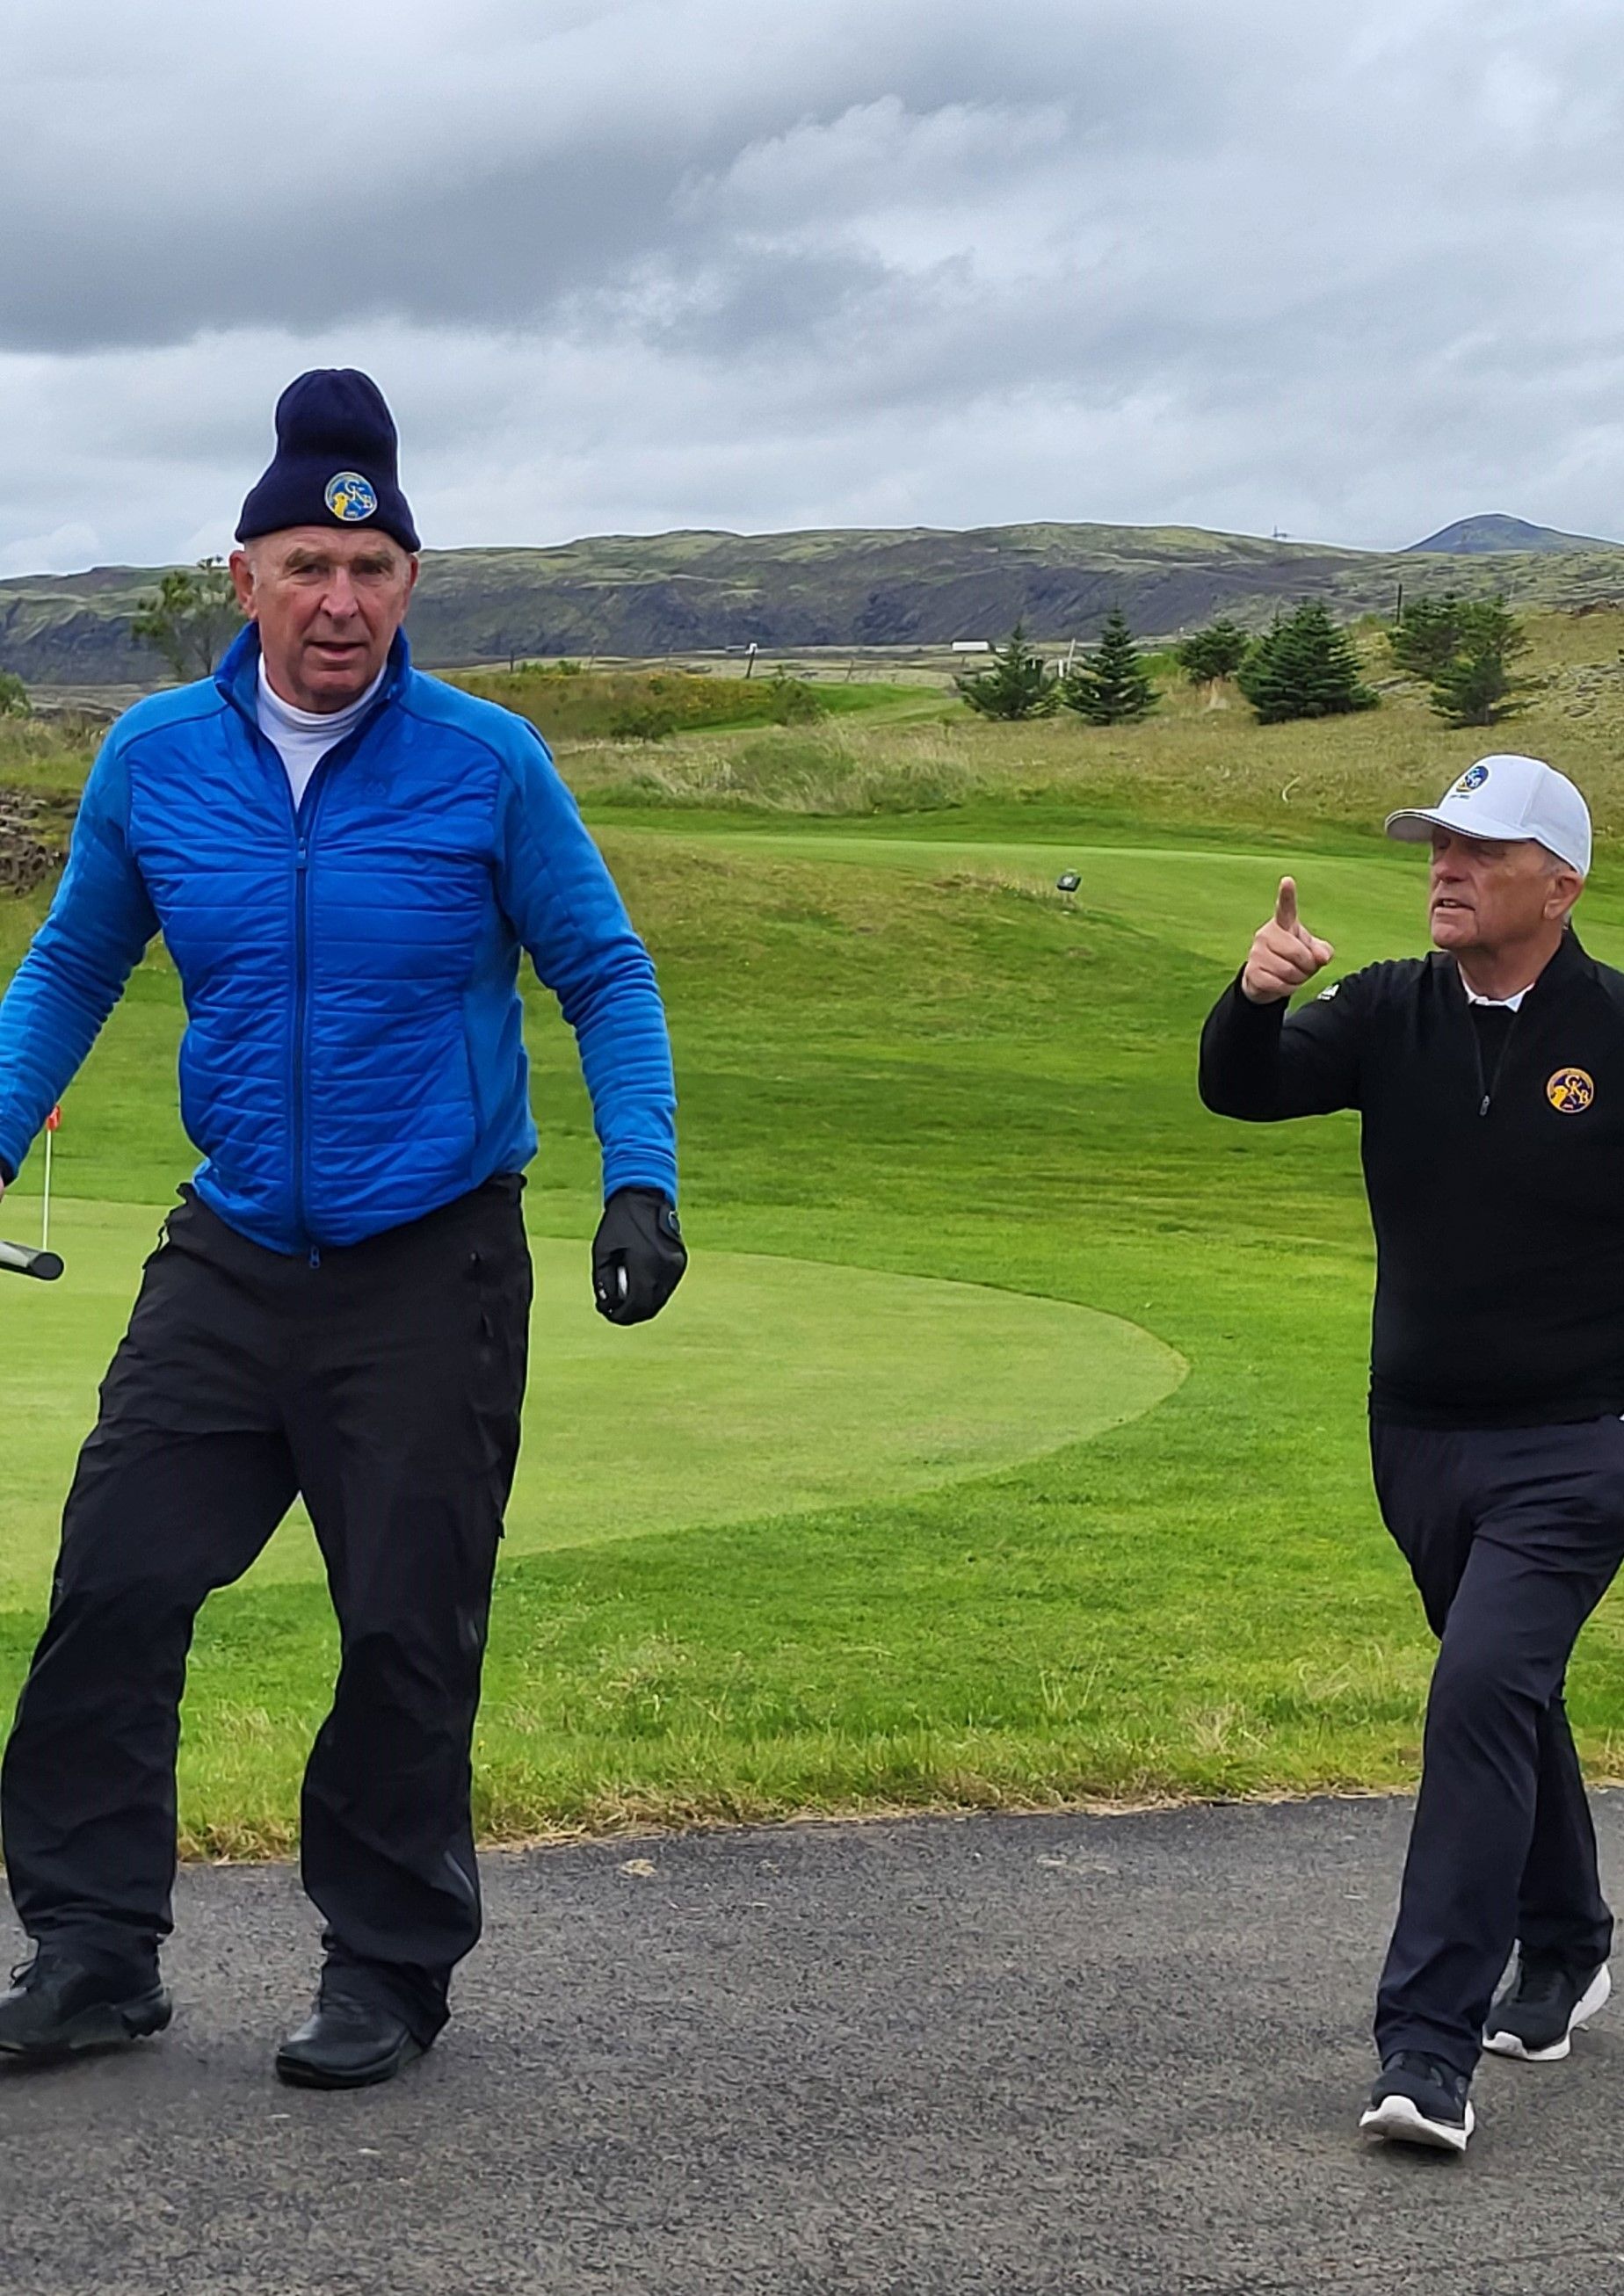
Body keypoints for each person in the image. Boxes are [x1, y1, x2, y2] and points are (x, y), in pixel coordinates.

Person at [0, 368, 687, 2090]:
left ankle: (384, 1967)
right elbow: (73, 964)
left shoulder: (486, 762)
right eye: (306, 564)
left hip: (431, 1263)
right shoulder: (157, 755)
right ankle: (91, 1951)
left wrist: (641, 1173)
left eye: (371, 570)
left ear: (410, 582)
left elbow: (604, 972)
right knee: (113, 1582)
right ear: (244, 577)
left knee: (403, 1626)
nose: (339, 601)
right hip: (231, 1251)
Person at [1200, 753, 1624, 2155]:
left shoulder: (1615, 1032)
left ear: (1559, 886)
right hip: (1421, 1441)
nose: (1446, 867)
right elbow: (1242, 1092)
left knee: (1480, 1687)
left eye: (1481, 850)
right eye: (1438, 844)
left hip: (1581, 1445)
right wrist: (1254, 998)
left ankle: (1426, 2049)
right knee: (1507, 1691)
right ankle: (1567, 1935)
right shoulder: (1388, 1008)